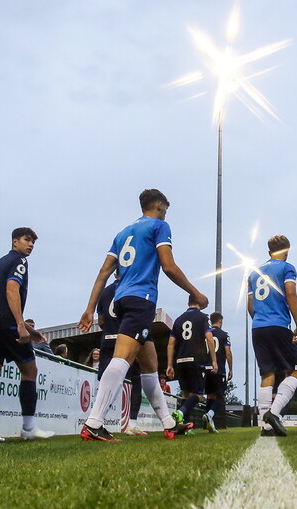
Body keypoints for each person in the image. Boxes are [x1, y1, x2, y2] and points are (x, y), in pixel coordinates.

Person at [77, 189, 207, 441]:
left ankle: (169, 424)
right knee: (122, 358)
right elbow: (168, 266)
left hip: (122, 298)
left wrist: (90, 308)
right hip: (141, 299)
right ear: (159, 205)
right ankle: (94, 422)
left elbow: (103, 273)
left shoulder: (122, 233)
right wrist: (195, 293)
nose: (166, 213)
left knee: (149, 366)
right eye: (166, 208)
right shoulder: (159, 226)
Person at [0, 227, 53, 442]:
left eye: (33, 242)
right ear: (15, 241)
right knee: (30, 371)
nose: (31, 245)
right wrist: (20, 326)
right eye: (27, 240)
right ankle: (29, 427)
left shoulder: (1, 262)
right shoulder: (19, 261)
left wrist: (31, 330)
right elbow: (11, 289)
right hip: (7, 325)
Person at [249, 234, 297, 437]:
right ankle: (274, 412)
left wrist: (260, 320)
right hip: (279, 325)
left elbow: (250, 305)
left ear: (269, 251)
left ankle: (266, 426)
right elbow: (290, 293)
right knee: (294, 371)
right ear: (286, 250)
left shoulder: (253, 273)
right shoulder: (287, 268)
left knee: (267, 374)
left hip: (257, 326)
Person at [95, 274, 146, 436]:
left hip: (108, 339)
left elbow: (101, 320)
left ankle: (96, 421)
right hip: (126, 340)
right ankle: (132, 423)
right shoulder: (131, 289)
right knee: (136, 380)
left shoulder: (105, 292)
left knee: (106, 380)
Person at [167, 296, 217, 427]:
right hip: (195, 360)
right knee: (197, 395)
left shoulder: (178, 320)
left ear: (188, 302)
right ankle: (181, 412)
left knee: (185, 394)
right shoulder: (203, 317)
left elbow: (171, 343)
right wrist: (214, 360)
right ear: (199, 302)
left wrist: (169, 365)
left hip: (180, 360)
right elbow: (209, 338)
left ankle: (182, 426)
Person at [202, 312, 232, 433]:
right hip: (218, 369)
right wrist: (231, 368)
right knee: (220, 396)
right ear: (220, 321)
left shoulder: (206, 333)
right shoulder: (224, 334)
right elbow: (228, 352)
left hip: (206, 368)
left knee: (210, 395)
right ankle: (209, 415)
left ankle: (209, 424)